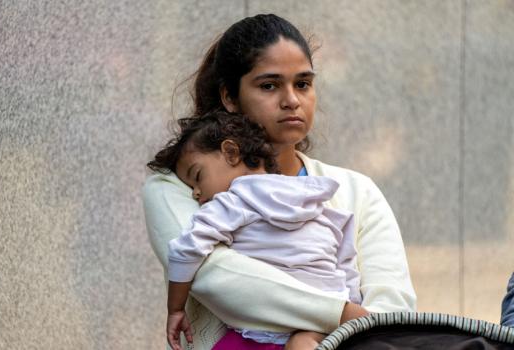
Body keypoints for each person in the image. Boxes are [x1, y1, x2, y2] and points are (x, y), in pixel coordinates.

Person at [142, 13, 416, 350]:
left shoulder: (356, 192)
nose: (292, 100)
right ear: (229, 96)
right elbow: (219, 277)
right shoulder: (180, 187)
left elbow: (393, 310)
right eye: (269, 85)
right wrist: (343, 313)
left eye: (302, 83)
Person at [148, 111, 363, 350]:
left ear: (230, 152)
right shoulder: (315, 200)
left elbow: (186, 249)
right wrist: (353, 309)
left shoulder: (233, 202)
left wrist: (175, 309)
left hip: (269, 327)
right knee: (303, 343)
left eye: (198, 177)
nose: (195, 193)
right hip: (327, 320)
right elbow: (346, 262)